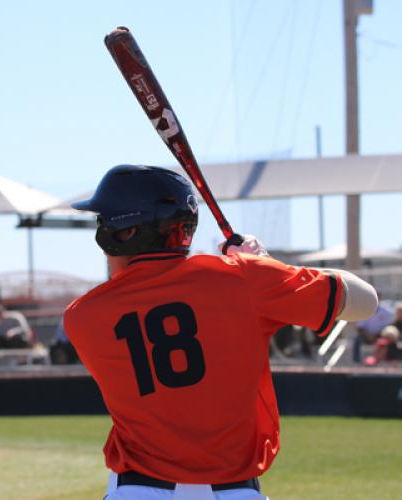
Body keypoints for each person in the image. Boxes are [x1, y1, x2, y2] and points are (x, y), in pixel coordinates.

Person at [63, 165, 378, 500]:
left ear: (123, 232)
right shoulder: (244, 279)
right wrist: (267, 266)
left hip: (136, 491)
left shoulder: (82, 317)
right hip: (235, 492)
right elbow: (365, 301)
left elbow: (142, 293)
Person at [352, 293, 393, 363]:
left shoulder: (386, 312)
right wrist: (368, 335)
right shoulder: (364, 310)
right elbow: (360, 327)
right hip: (366, 335)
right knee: (356, 339)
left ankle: (387, 359)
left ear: (380, 299)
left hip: (380, 335)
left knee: (387, 339)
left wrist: (376, 334)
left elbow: (388, 327)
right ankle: (356, 360)